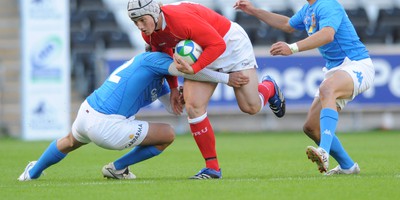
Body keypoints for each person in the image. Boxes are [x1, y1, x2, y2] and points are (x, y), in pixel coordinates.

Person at [234, 0, 375, 175]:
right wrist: (253, 11)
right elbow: (287, 25)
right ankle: (348, 166)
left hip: (357, 64)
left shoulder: (327, 4)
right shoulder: (309, 9)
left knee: (327, 88)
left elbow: (328, 34)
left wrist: (292, 49)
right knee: (311, 127)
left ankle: (324, 153)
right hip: (336, 69)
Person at [18, 51, 249, 181]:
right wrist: (226, 79)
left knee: (68, 141)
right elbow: (190, 72)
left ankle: (32, 172)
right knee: (167, 134)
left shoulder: (153, 72)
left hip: (88, 110)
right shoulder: (154, 61)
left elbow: (173, 107)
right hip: (107, 125)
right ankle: (117, 167)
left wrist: (180, 95)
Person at [127, 0, 286, 179]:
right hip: (201, 51)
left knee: (250, 107)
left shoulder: (179, 19)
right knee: (193, 106)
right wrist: (172, 89)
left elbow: (217, 44)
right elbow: (165, 57)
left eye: (142, 20)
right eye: (135, 21)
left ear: (154, 13)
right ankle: (212, 168)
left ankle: (269, 87)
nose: (140, 26)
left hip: (230, 44)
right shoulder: (149, 34)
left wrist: (193, 69)